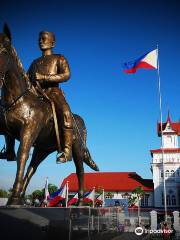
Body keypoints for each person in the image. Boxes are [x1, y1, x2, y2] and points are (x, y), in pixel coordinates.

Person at [28, 31, 73, 163]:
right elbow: (26, 79)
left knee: (66, 113)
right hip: (36, 93)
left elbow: (66, 75)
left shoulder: (59, 58)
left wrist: (44, 77)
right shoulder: (34, 63)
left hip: (53, 92)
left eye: (44, 39)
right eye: (39, 39)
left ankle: (66, 151)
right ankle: (10, 149)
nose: (40, 41)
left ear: (52, 43)